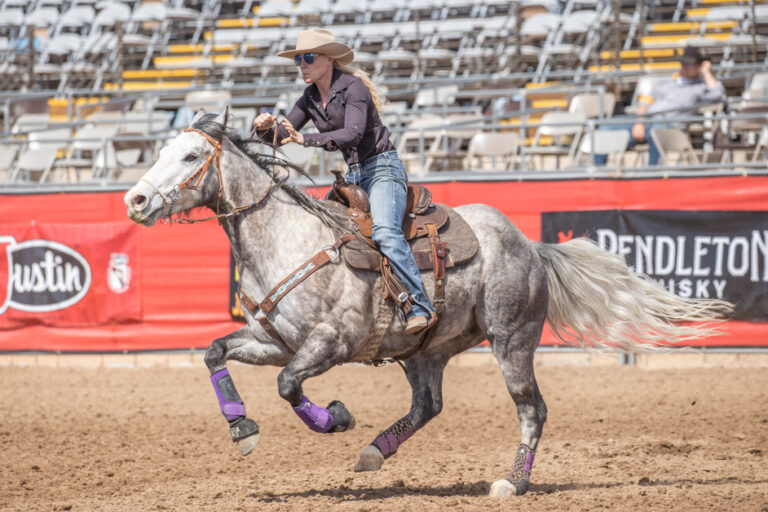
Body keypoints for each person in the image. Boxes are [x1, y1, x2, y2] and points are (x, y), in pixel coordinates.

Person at [253, 28, 436, 335]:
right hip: (353, 176)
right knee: (322, 234)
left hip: (382, 169)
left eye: (308, 58)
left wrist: (307, 139)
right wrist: (263, 127)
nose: (302, 64)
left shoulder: (354, 88)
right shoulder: (310, 97)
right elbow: (283, 136)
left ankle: (420, 306)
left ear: (329, 59)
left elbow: (352, 133)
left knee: (386, 233)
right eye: (299, 59)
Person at [595, 46, 725, 166]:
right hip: (645, 122)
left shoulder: (700, 87)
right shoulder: (662, 82)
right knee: (604, 127)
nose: (686, 67)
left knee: (655, 131)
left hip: (670, 127)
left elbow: (718, 94)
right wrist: (639, 123)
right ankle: (598, 173)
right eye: (684, 63)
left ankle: (652, 173)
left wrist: (706, 71)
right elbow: (644, 103)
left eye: (690, 64)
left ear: (699, 65)